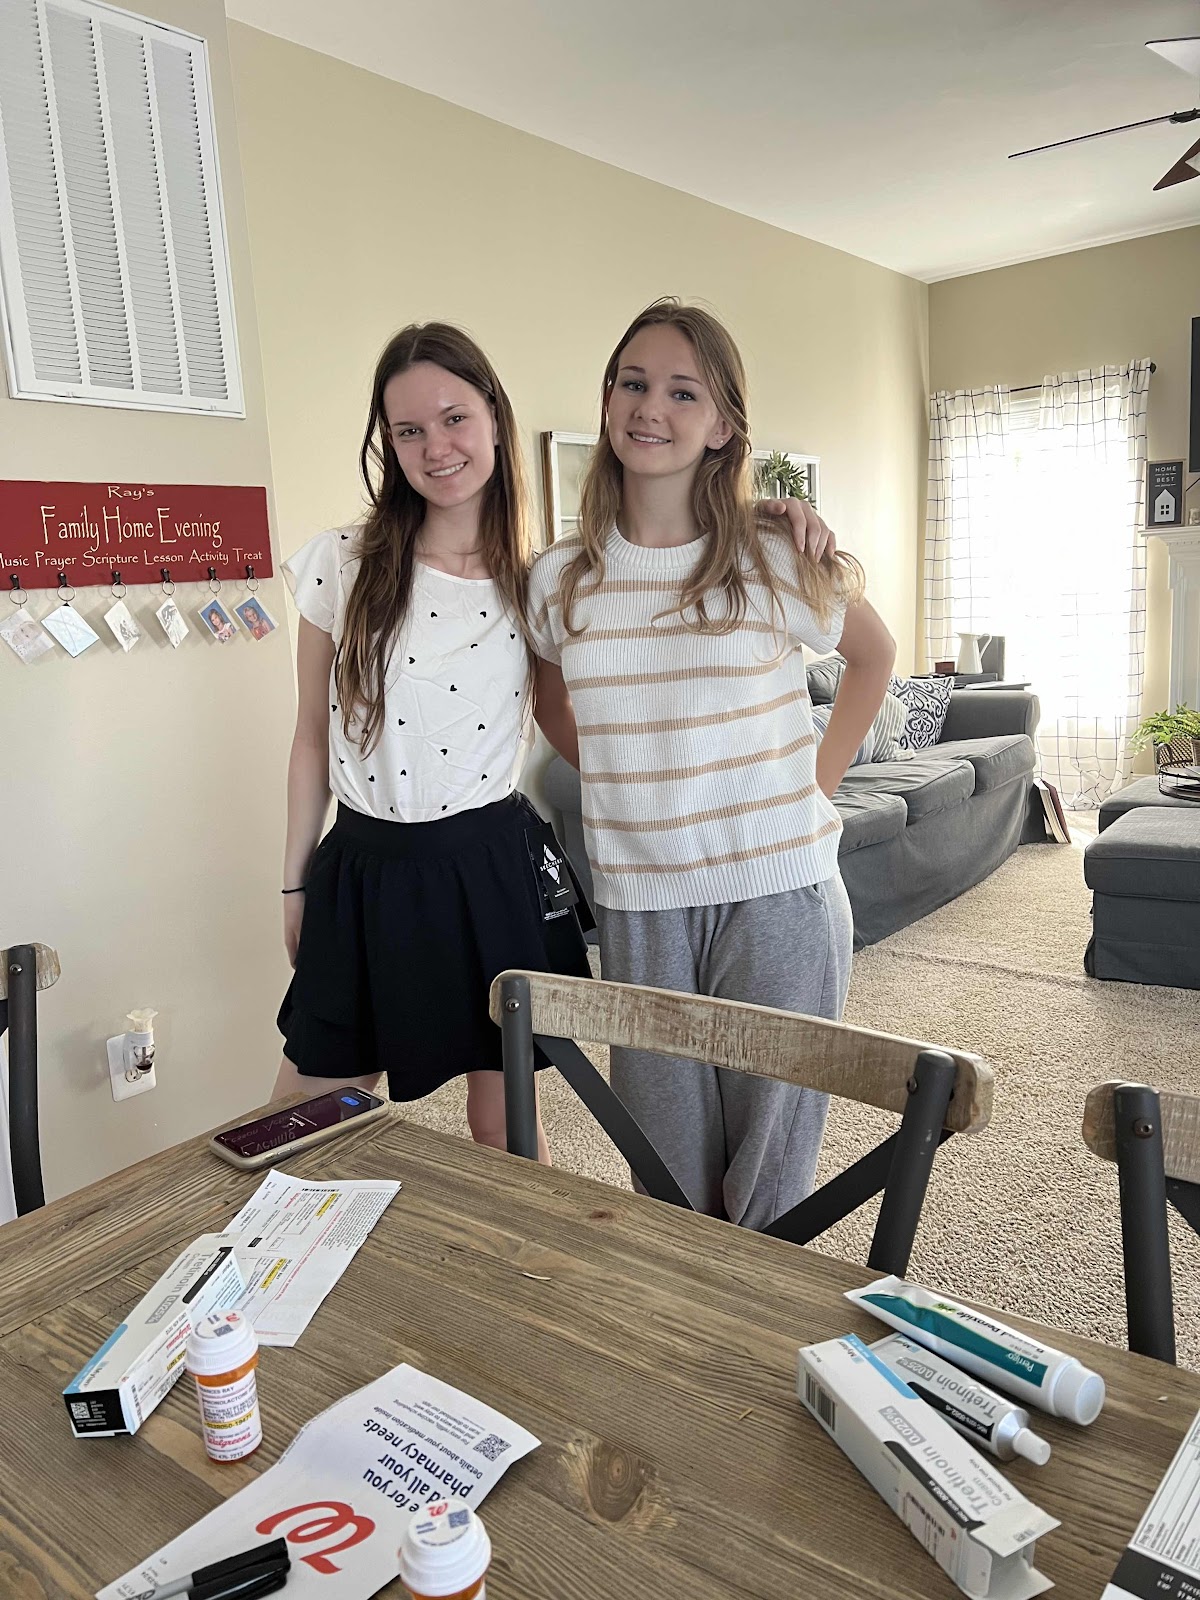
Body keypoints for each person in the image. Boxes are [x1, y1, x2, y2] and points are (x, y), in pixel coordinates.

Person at [530, 298, 896, 1227]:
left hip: (780, 895)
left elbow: (874, 656)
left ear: (723, 424)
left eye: (682, 392)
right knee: (668, 1189)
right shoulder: (559, 578)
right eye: (633, 383)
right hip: (641, 904)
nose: (651, 407)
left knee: (768, 1191)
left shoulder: (775, 554)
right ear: (609, 399)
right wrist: (629, 779)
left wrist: (813, 787)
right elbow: (549, 701)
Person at [271, 324, 595, 1162]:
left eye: (454, 419)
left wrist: (764, 513)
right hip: (364, 872)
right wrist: (294, 885)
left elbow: (562, 709)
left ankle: (524, 1251)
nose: (435, 448)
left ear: (493, 418)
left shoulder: (536, 582)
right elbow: (310, 736)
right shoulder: (343, 564)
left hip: (490, 869)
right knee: (301, 1127)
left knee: (504, 1130)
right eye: (409, 430)